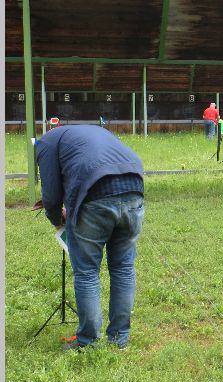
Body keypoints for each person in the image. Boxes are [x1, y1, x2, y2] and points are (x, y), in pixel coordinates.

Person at [35, 125, 145, 350]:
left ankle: (88, 342)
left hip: (95, 195)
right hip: (134, 186)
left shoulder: (45, 143)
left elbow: (51, 195)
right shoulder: (91, 132)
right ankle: (119, 340)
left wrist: (58, 220)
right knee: (123, 268)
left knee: (86, 273)